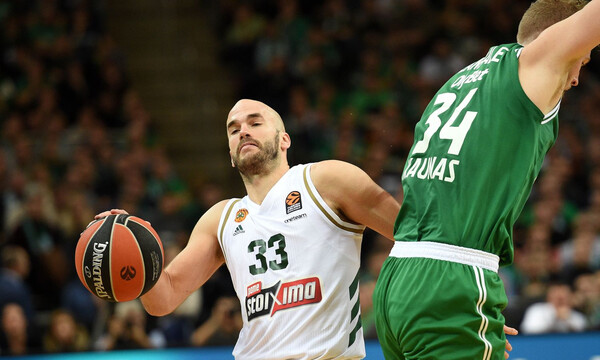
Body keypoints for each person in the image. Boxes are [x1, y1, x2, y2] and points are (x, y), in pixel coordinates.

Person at [97, 99, 516, 359]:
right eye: (233, 128)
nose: (242, 129)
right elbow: (163, 298)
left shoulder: (326, 180)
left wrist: (467, 305)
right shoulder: (220, 218)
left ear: (284, 140)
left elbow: (418, 236)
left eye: (255, 122)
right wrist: (134, 257)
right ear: (229, 153)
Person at [373, 1, 599, 359]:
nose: (575, 79)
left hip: (398, 280)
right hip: (451, 282)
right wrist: (459, 297)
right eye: (582, 60)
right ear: (556, 36)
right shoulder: (536, 61)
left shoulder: (460, 80)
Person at [520, 282, 588, 334]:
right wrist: (554, 316)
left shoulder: (576, 315)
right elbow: (528, 329)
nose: (561, 300)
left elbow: (583, 331)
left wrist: (567, 320)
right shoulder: (536, 310)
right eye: (557, 298)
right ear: (548, 297)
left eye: (564, 298)